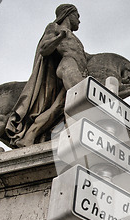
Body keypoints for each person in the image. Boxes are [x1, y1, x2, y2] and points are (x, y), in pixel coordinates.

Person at [5, 4, 88, 147]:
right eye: (77, 16)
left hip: (78, 72)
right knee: (79, 98)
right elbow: (44, 49)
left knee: (58, 108)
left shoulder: (75, 38)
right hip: (67, 68)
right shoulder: (54, 28)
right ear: (69, 14)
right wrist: (59, 37)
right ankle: (74, 134)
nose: (79, 21)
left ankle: (29, 137)